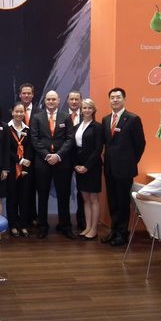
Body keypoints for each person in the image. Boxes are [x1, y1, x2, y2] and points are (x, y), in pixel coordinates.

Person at [102, 87, 146, 246]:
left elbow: (140, 144)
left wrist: (130, 162)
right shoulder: (106, 119)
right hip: (109, 168)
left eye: (118, 97)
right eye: (112, 97)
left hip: (125, 170)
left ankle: (122, 234)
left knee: (122, 202)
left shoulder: (133, 119)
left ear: (124, 99)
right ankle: (113, 231)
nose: (115, 100)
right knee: (112, 202)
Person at [30, 90, 75, 239]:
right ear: (45, 101)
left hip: (62, 162)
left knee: (64, 195)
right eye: (48, 99)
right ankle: (42, 226)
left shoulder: (66, 117)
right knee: (42, 195)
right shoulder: (37, 117)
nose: (50, 102)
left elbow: (70, 139)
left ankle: (65, 226)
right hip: (42, 162)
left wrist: (58, 155)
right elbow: (34, 139)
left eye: (53, 99)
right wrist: (47, 155)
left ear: (58, 101)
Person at [73, 99, 103, 240]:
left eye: (89, 108)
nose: (86, 110)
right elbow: (74, 148)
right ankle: (87, 227)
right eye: (84, 108)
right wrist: (76, 165)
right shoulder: (77, 126)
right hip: (79, 167)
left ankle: (94, 229)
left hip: (92, 167)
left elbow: (98, 149)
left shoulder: (97, 127)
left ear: (93, 110)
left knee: (93, 198)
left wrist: (87, 166)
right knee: (85, 199)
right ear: (81, 110)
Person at [7, 102, 33, 237]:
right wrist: (19, 160)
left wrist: (25, 165)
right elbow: (6, 150)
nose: (19, 114)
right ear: (12, 112)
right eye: (16, 111)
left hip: (25, 169)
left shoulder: (27, 129)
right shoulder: (7, 128)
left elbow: (29, 149)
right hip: (11, 168)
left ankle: (23, 225)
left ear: (25, 113)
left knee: (24, 198)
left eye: (21, 111)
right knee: (12, 198)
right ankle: (13, 225)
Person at [18, 83, 39, 225]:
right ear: (20, 95)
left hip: (35, 157)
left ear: (33, 95)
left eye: (29, 93)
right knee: (20, 188)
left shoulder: (39, 112)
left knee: (32, 188)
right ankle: (22, 217)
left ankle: (33, 216)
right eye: (24, 93)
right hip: (18, 157)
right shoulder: (14, 110)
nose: (26, 95)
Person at [66, 90, 85, 232]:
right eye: (71, 99)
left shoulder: (87, 115)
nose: (74, 102)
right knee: (64, 192)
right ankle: (65, 223)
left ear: (81, 101)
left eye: (76, 99)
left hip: (81, 160)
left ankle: (82, 221)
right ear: (67, 101)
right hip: (65, 159)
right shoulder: (61, 116)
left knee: (82, 192)